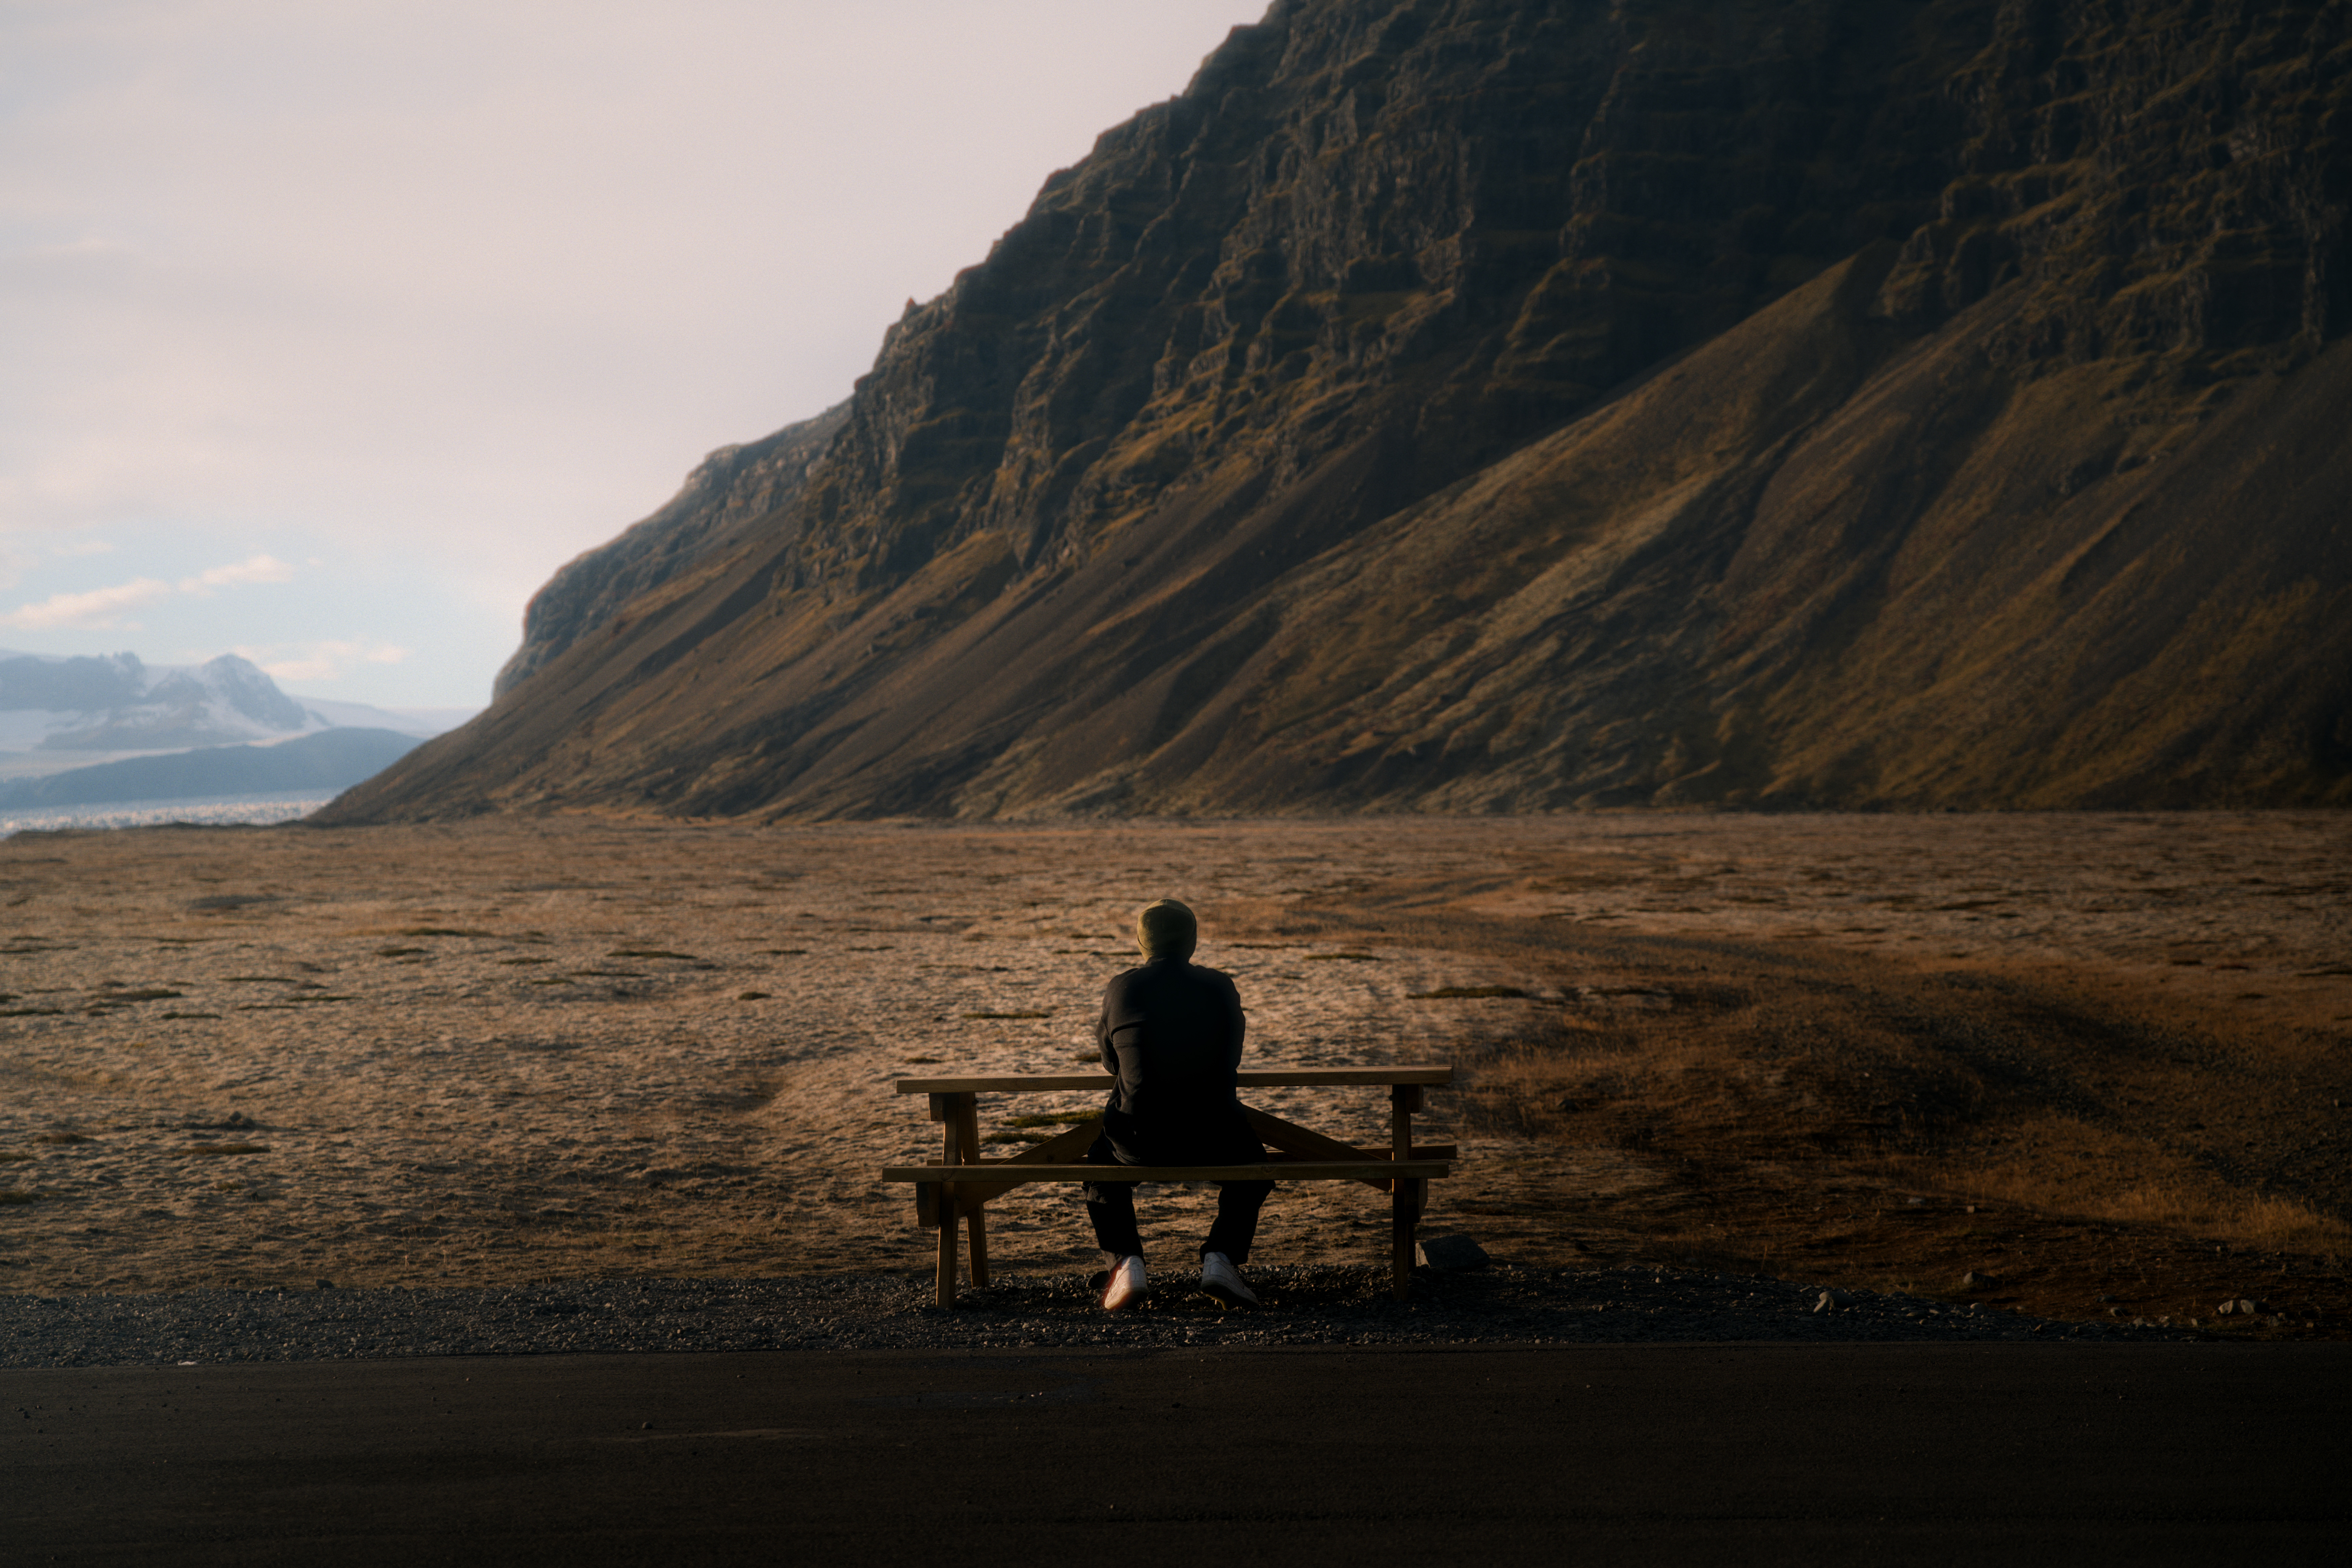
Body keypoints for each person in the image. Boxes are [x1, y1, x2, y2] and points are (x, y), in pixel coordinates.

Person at [1085, 897, 1272, 1311]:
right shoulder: (1219, 986)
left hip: (1138, 1140)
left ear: (1141, 941)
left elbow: (1110, 1061)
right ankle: (1221, 1258)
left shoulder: (1122, 988)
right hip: (1215, 1138)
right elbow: (1233, 1056)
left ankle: (1127, 1263)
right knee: (1256, 1171)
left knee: (1099, 1171)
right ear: (1192, 941)